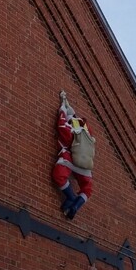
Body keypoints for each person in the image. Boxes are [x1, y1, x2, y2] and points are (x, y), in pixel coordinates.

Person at [51, 91, 95, 219]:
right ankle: (76, 205)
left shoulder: (70, 130)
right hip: (85, 165)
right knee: (87, 189)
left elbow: (61, 126)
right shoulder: (86, 130)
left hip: (68, 160)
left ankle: (70, 197)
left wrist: (62, 111)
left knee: (58, 176)